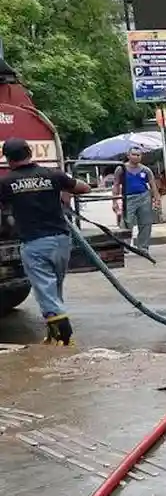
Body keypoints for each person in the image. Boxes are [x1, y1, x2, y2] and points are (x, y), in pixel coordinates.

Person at [0, 138, 92, 345]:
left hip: (34, 243)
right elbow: (84, 188)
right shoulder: (53, 175)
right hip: (61, 240)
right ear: (29, 152)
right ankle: (53, 335)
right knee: (54, 288)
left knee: (45, 292)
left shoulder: (6, 183)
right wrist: (63, 191)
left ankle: (64, 338)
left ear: (7, 159)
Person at [111, 148, 159, 253]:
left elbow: (153, 185)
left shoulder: (146, 170)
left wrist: (156, 199)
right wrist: (114, 202)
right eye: (134, 154)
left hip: (144, 197)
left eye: (139, 155)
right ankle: (125, 246)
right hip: (128, 198)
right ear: (128, 155)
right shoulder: (121, 169)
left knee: (145, 223)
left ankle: (143, 247)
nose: (136, 157)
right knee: (127, 222)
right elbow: (115, 185)